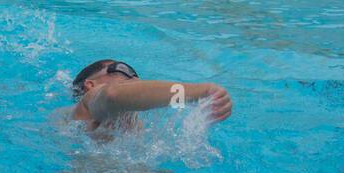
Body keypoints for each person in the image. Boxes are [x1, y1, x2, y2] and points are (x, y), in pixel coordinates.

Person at [68, 59, 232, 133]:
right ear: (90, 85)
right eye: (124, 69)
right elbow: (112, 94)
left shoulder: (135, 130)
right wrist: (198, 93)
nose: (135, 79)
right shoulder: (89, 101)